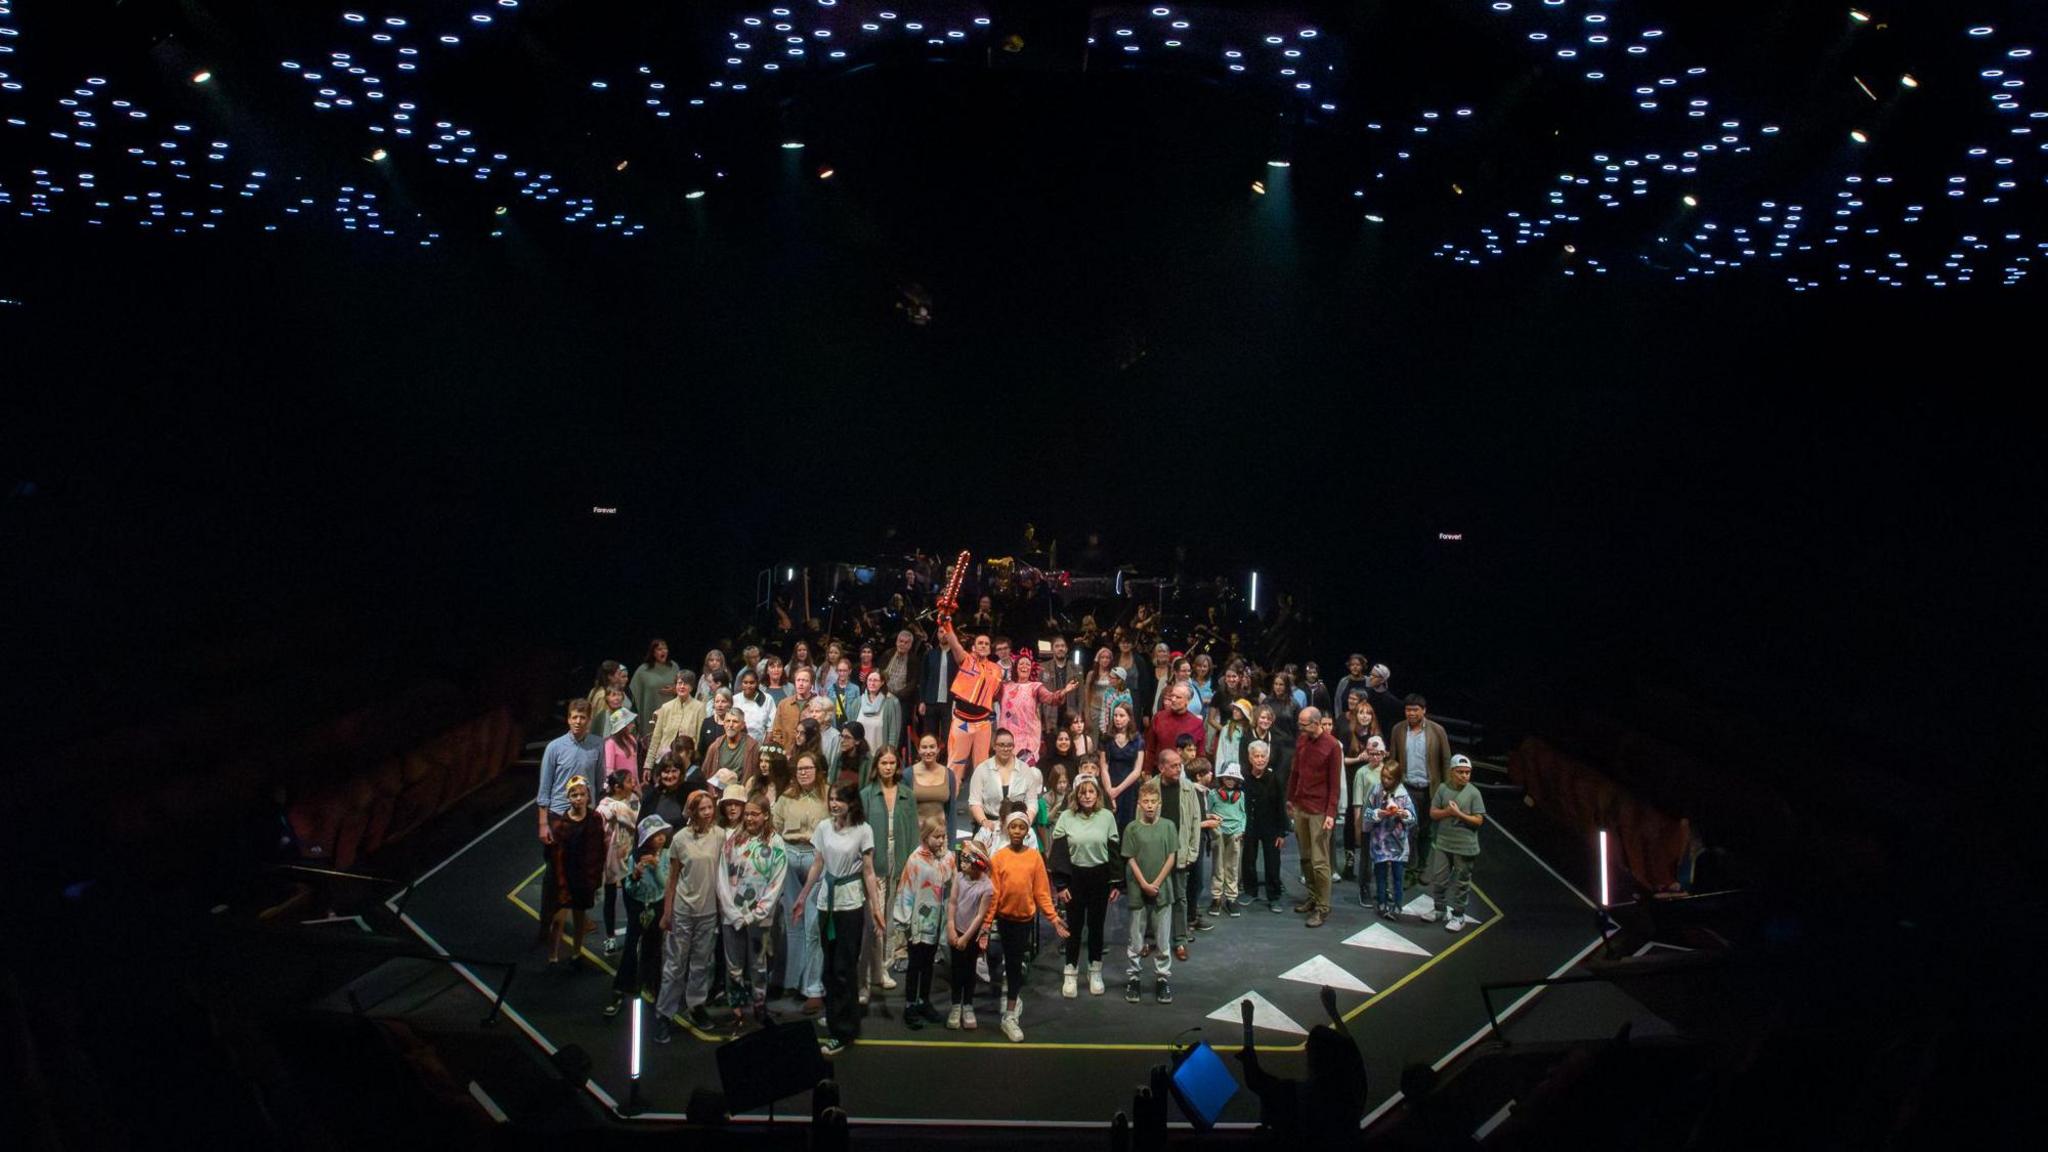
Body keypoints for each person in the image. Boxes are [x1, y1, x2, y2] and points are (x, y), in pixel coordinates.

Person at [792, 784, 888, 1056]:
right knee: (829, 967)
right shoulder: (824, 828)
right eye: (831, 799)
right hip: (826, 904)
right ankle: (837, 1013)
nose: (834, 804)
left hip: (850, 905)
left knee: (844, 968)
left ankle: (843, 1031)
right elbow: (818, 865)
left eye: (839, 800)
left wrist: (876, 909)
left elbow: (868, 872)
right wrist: (802, 897)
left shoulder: (863, 830)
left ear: (851, 803)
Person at [1233, 986, 1368, 1141]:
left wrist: (1248, 1025)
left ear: (1314, 1059)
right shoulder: (1352, 1091)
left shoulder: (1294, 1096)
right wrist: (1333, 1011)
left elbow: (1254, 1079)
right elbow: (1350, 1052)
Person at [984, 809, 1069, 1041]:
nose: (1017, 831)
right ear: (1007, 829)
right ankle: (1010, 1000)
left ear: (1027, 831)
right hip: (1004, 920)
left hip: (1024, 922)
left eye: (1022, 827)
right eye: (1013, 827)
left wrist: (1053, 918)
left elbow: (1041, 893)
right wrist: (986, 924)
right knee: (1001, 962)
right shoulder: (999, 858)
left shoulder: (1034, 858)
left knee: (1014, 965)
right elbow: (993, 894)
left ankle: (1010, 1014)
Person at [655, 790, 729, 1039]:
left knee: (701, 964)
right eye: (703, 808)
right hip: (683, 911)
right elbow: (672, 879)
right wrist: (667, 913)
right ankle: (664, 1013)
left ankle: (696, 1005)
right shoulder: (680, 839)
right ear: (693, 811)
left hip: (708, 912)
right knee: (675, 965)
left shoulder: (720, 836)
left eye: (710, 807)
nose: (708, 812)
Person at [715, 790, 788, 1028]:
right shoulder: (734, 839)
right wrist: (731, 911)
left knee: (758, 963)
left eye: (754, 815)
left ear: (766, 815)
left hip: (760, 918)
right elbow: (722, 877)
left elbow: (776, 882)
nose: (748, 819)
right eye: (746, 814)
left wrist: (757, 913)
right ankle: (736, 1007)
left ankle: (759, 1003)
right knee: (733, 964)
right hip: (732, 915)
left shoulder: (775, 843)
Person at [1049, 766, 1121, 998]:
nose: (1087, 796)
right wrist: (1061, 885)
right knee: (1075, 927)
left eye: (1091, 792)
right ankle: (1070, 971)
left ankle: (1095, 969)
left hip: (1099, 878)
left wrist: (1116, 883)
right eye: (1083, 792)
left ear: (1098, 795)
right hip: (1075, 879)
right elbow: (1058, 853)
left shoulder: (1107, 817)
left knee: (1097, 927)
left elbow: (1114, 851)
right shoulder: (1066, 818)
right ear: (1076, 795)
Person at [536, 701, 604, 945]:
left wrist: (596, 817)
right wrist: (543, 823)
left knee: (581, 870)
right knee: (555, 873)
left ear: (588, 719)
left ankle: (578, 918)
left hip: (585, 818)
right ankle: (546, 924)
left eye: (582, 717)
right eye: (574, 717)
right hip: (558, 817)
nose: (578, 721)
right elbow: (544, 789)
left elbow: (598, 782)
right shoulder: (554, 748)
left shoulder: (597, 744)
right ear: (568, 719)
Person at [771, 753, 830, 1013]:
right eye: (800, 769)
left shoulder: (828, 795)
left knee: (813, 924)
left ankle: (813, 987)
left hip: (817, 857)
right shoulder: (786, 797)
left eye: (809, 768)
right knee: (792, 923)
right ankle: (793, 981)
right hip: (789, 855)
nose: (804, 773)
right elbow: (775, 826)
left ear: (818, 770)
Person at [859, 747, 918, 1001]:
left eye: (892, 763)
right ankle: (872, 968)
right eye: (884, 762)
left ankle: (885, 964)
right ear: (877, 764)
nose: (888, 767)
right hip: (876, 857)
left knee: (893, 913)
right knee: (875, 915)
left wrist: (913, 861)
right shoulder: (866, 795)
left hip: (901, 854)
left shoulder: (907, 794)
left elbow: (914, 830)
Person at [605, 814, 671, 1019]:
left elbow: (665, 885)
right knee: (631, 947)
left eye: (661, 834)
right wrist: (636, 875)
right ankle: (622, 988)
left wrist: (656, 867)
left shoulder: (667, 856)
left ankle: (653, 987)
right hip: (638, 907)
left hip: (658, 905)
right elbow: (630, 888)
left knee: (654, 947)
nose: (660, 838)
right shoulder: (635, 857)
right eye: (655, 835)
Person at [892, 818, 954, 1030]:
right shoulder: (915, 860)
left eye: (943, 836)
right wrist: (904, 919)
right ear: (925, 836)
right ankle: (910, 1005)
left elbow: (950, 881)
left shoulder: (947, 858)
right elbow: (906, 890)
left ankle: (924, 1001)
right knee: (915, 965)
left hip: (936, 922)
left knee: (929, 964)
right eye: (936, 837)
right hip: (918, 923)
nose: (941, 840)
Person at [544, 776, 609, 969]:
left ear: (588, 796)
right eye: (574, 794)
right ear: (568, 797)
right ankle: (553, 956)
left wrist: (597, 876)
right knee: (558, 919)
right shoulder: (561, 825)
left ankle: (576, 952)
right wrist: (560, 882)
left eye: (582, 794)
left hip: (584, 876)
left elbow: (600, 848)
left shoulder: (595, 819)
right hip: (566, 876)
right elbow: (556, 856)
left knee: (580, 917)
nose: (578, 798)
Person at [1122, 778, 1178, 1004]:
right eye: (1145, 801)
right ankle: (1134, 977)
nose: (1150, 805)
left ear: (1160, 804)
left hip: (1162, 890)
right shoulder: (1132, 828)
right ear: (1139, 803)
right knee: (1136, 939)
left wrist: (1156, 882)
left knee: (1163, 939)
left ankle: (1162, 979)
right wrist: (1144, 883)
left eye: (1154, 801)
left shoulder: (1168, 826)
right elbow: (1130, 859)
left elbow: (1171, 857)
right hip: (1138, 889)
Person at [1387, 693, 1451, 889]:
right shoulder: (1398, 729)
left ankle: (1423, 866)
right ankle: (1410, 868)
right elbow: (1393, 761)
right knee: (1408, 830)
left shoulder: (1437, 731)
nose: (1411, 713)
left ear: (1424, 711)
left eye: (1415, 709)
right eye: (1408, 709)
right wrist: (1390, 789)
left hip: (1430, 789)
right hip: (1407, 789)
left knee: (1427, 832)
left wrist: (1446, 791)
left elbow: (1446, 761)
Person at [1288, 707, 1344, 928]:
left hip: (1319, 810)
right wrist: (1290, 799)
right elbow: (1295, 771)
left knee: (1320, 861)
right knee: (1305, 857)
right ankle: (1312, 897)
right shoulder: (1302, 740)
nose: (1300, 727)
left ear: (1316, 723)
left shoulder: (1332, 746)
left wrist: (1331, 813)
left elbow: (1334, 783)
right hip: (1301, 805)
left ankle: (1323, 907)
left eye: (1304, 724)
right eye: (1300, 724)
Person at [1155, 745, 1206, 958]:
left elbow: (1195, 822)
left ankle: (1180, 940)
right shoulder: (1150, 787)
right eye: (1173, 766)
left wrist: (1192, 852)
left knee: (1179, 897)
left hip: (1180, 852)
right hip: (1157, 852)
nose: (1178, 769)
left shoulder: (1188, 789)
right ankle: (1154, 938)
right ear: (1161, 768)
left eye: (1179, 765)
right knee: (1155, 897)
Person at [1426, 754, 1486, 932]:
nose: (1464, 776)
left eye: (1467, 772)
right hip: (1444, 843)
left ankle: (1459, 915)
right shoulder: (1443, 789)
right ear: (1452, 772)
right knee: (1439, 878)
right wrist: (1448, 812)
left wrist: (1459, 814)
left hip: (1465, 846)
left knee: (1461, 882)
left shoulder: (1474, 793)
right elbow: (1433, 813)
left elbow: (1478, 820)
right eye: (1460, 772)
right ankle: (1439, 909)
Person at [939, 623, 1003, 783]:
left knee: (983, 768)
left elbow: (996, 693)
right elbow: (954, 643)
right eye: (980, 643)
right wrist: (947, 625)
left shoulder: (996, 669)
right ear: (973, 647)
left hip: (983, 723)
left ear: (990, 648)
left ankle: (981, 806)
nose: (983, 645)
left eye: (986, 644)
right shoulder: (966, 659)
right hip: (962, 721)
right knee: (955, 765)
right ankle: (950, 805)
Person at [1361, 748, 1417, 919]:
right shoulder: (1376, 791)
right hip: (1380, 841)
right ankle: (1382, 903)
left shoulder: (1403, 795)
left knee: (1398, 876)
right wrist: (1379, 813)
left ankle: (1398, 905)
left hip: (1397, 842)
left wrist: (1403, 813)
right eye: (1383, 777)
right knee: (1381, 875)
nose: (1385, 780)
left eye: (1389, 778)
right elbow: (1367, 813)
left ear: (1397, 778)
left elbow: (1413, 817)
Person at [945, 839, 995, 1031]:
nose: (962, 862)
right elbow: (953, 903)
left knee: (969, 970)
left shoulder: (987, 887)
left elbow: (980, 916)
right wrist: (950, 926)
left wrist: (965, 938)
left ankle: (968, 1005)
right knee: (956, 970)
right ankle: (956, 1005)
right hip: (956, 930)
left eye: (967, 859)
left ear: (978, 862)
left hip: (971, 936)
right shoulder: (959, 878)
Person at [999, 652, 1074, 765]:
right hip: (1007, 734)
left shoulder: (1035, 687)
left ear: (1031, 668)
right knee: (1005, 769)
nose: (1024, 666)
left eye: (1028, 664)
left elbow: (1051, 698)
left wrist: (1064, 691)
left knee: (1025, 769)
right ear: (1015, 667)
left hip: (1028, 736)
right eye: (1021, 664)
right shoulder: (1004, 687)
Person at [968, 728, 1044, 839]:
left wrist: (1027, 820)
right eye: (1001, 745)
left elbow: (1032, 801)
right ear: (994, 746)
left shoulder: (1025, 769)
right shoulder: (982, 769)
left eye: (1009, 745)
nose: (1006, 748)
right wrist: (984, 822)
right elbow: (974, 802)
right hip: (989, 827)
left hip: (1018, 827)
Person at [1241, 740, 1289, 913]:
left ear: (1268, 758)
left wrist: (1282, 832)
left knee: (1272, 861)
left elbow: (1280, 805)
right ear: (1250, 757)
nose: (1260, 759)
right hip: (1250, 826)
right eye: (1256, 756)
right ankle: (1250, 891)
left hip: (1271, 827)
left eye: (1263, 756)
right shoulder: (1244, 778)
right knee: (1248, 859)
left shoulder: (1275, 779)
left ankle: (1274, 896)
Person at [596, 771, 640, 955]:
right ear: (617, 787)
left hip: (630, 853)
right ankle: (610, 937)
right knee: (611, 897)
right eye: (629, 781)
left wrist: (617, 810)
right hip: (611, 857)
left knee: (633, 898)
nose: (633, 783)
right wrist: (613, 809)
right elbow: (601, 820)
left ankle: (635, 936)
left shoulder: (634, 800)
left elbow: (636, 820)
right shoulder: (604, 806)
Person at [644, 671, 704, 777]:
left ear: (691, 687)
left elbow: (699, 738)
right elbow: (656, 738)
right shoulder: (666, 707)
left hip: (687, 763)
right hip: (664, 759)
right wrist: (648, 765)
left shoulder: (699, 707)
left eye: (685, 684)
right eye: (679, 683)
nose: (681, 686)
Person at [1207, 762, 1247, 917]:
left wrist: (1242, 830)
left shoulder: (1240, 796)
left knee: (1233, 865)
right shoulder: (1213, 794)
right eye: (1227, 777)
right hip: (1218, 831)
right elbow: (1208, 812)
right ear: (1222, 778)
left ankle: (1231, 897)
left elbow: (1243, 814)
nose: (1230, 780)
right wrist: (1212, 828)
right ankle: (1216, 897)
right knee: (1218, 865)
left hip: (1235, 832)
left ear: (1238, 781)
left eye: (1233, 778)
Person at [1101, 701, 1147, 826]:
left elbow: (1137, 771)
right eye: (1115, 715)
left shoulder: (1138, 740)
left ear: (1129, 718)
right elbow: (1104, 767)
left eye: (1121, 716)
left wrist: (1118, 790)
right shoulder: (1106, 738)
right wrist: (1110, 791)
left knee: (1127, 823)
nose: (1117, 719)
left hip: (1129, 787)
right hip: (1110, 783)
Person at [908, 732, 959, 841]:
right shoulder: (907, 775)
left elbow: (951, 812)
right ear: (918, 749)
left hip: (941, 838)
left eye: (932, 747)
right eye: (924, 747)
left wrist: (952, 845)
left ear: (938, 749)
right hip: (916, 839)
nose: (928, 751)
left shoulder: (949, 775)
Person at [630, 640, 681, 746]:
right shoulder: (643, 670)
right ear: (653, 652)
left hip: (671, 713)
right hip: (650, 714)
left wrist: (676, 690)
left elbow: (684, 687)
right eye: (659, 649)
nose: (663, 651)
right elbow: (634, 693)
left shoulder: (674, 667)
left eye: (665, 648)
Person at [701, 707, 761, 794]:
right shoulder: (715, 746)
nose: (730, 725)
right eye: (728, 721)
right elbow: (705, 773)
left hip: (742, 794)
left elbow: (757, 776)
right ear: (724, 724)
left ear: (743, 725)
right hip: (719, 794)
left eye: (735, 721)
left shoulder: (752, 747)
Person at [1145, 683, 1206, 765]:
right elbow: (1150, 748)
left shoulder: (1197, 723)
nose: (1173, 699)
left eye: (1178, 697)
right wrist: (1147, 770)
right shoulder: (1158, 717)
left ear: (1187, 701)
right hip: (1160, 769)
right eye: (1172, 696)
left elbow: (1200, 754)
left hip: (1186, 771)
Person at [850, 670, 903, 763]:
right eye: (869, 680)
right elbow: (851, 730)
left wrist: (890, 754)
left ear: (882, 682)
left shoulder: (891, 703)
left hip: (881, 757)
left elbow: (894, 732)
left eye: (875, 680)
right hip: (860, 756)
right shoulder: (857, 702)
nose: (872, 683)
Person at [768, 666, 822, 752]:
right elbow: (777, 731)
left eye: (805, 681)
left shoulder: (819, 704)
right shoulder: (784, 704)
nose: (801, 683)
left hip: (810, 753)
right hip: (787, 753)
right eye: (798, 680)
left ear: (811, 684)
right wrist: (783, 751)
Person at [916, 628, 953, 741]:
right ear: (937, 634)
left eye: (947, 632)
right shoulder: (930, 654)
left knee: (948, 737)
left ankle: (946, 758)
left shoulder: (957, 655)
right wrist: (922, 701)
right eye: (941, 632)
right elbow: (923, 679)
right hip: (931, 701)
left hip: (950, 702)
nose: (944, 635)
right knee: (930, 736)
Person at [602, 706, 640, 793]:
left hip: (633, 786)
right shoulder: (610, 743)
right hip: (620, 788)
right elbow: (609, 770)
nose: (633, 725)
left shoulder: (631, 739)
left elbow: (635, 767)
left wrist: (637, 786)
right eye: (630, 723)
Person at [1365, 664, 1403, 746]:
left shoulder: (1391, 701)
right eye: (1370, 674)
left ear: (1382, 680)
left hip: (1383, 739)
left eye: (1374, 676)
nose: (1371, 677)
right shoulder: (1367, 694)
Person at [732, 668, 774, 742]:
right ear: (741, 684)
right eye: (745, 682)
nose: (748, 686)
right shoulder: (735, 699)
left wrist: (764, 749)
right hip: (738, 743)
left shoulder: (767, 699)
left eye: (751, 683)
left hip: (760, 744)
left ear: (757, 683)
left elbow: (771, 727)